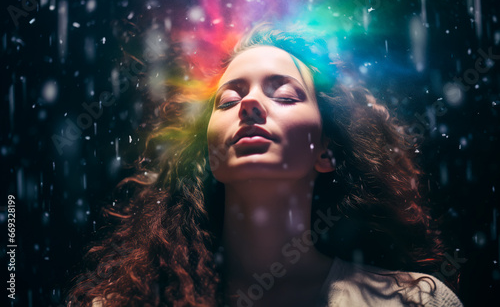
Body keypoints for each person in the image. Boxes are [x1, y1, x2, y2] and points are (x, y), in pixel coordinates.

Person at [66, 23, 463, 306]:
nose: (249, 104)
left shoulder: (412, 301)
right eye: (227, 100)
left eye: (285, 96)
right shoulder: (123, 302)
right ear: (208, 153)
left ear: (327, 151)